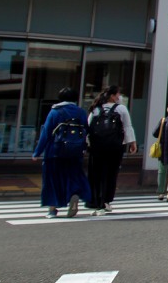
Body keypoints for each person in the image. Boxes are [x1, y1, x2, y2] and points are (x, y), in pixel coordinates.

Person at [33, 86, 92, 218]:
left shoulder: (55, 112)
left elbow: (46, 133)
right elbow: (86, 131)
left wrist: (37, 152)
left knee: (52, 180)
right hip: (75, 152)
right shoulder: (81, 112)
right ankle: (74, 194)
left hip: (55, 152)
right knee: (72, 176)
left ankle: (52, 209)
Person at [85, 86, 135, 215]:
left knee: (96, 174)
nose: (119, 97)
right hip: (115, 147)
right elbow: (127, 126)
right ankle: (106, 200)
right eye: (118, 94)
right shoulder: (121, 109)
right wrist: (132, 143)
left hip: (97, 148)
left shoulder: (96, 109)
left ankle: (96, 201)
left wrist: (87, 144)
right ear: (113, 96)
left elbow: (88, 127)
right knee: (111, 174)